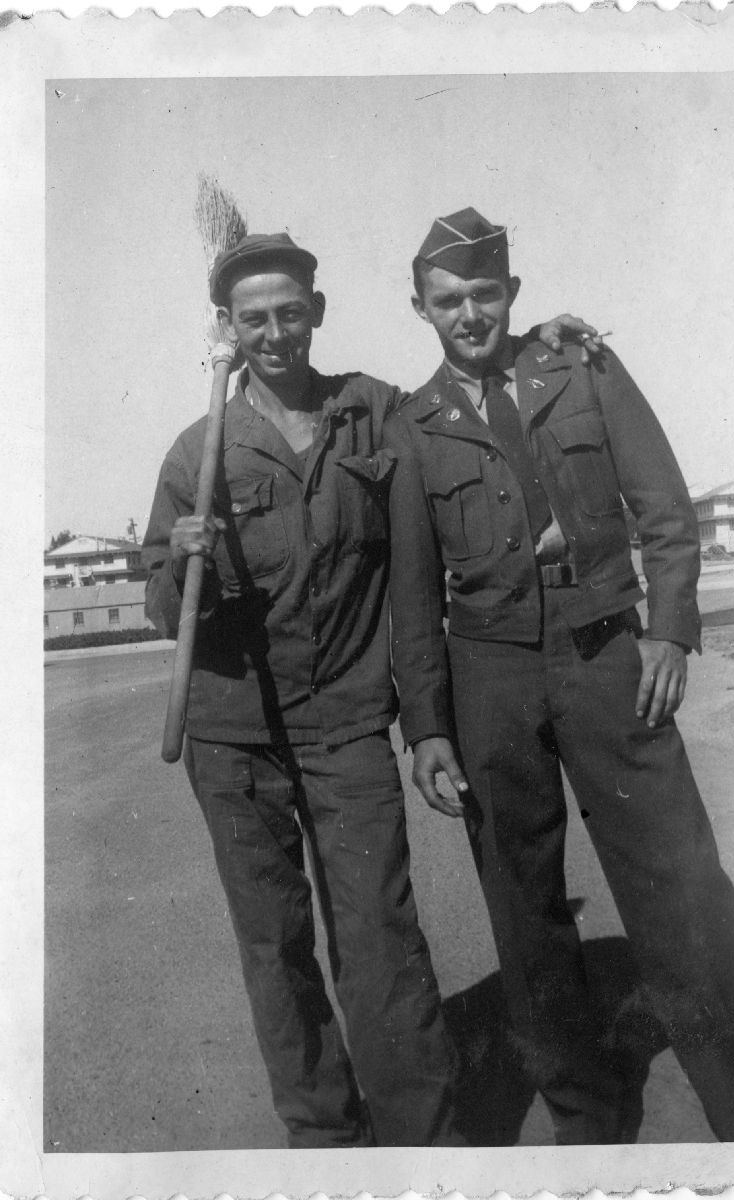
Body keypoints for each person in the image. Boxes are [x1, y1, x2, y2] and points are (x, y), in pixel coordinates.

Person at [142, 231, 604, 1148]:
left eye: (289, 313)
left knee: (382, 943)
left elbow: (462, 387)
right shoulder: (199, 451)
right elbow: (166, 604)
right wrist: (180, 560)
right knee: (276, 950)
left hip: (348, 727)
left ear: (316, 312)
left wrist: (533, 341)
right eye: (253, 320)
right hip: (233, 737)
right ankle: (324, 1141)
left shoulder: (375, 415)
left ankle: (422, 1140)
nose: (275, 333)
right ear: (227, 331)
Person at [383, 207, 734, 1144]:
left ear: (511, 293)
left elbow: (665, 507)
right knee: (523, 907)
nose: (467, 314)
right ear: (421, 308)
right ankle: (584, 1114)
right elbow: (412, 592)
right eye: (447, 301)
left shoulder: (581, 366)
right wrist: (429, 726)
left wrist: (670, 632)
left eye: (483, 294)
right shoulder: (414, 423)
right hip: (490, 680)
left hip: (605, 658)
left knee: (677, 882)